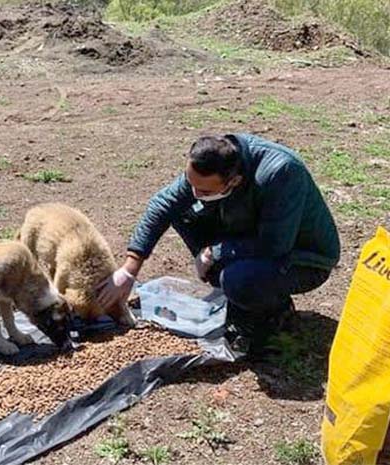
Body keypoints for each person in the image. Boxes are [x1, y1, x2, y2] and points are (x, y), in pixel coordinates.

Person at [96, 134, 340, 356]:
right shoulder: (215, 160)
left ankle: (275, 314)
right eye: (191, 184)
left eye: (203, 190)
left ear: (234, 181)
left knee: (238, 280)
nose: (195, 192)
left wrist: (214, 251)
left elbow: (274, 246)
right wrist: (129, 270)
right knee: (182, 212)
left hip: (302, 258)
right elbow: (162, 205)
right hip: (253, 235)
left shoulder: (281, 173)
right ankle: (235, 294)